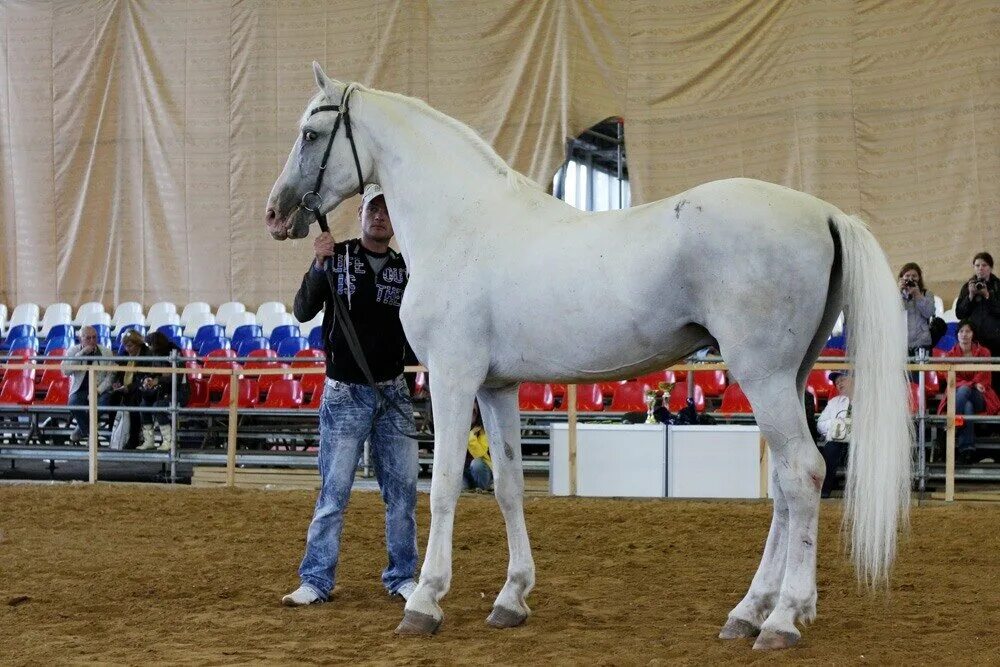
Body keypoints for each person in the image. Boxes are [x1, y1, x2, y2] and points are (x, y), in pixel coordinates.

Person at [282, 183, 418, 606]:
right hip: (344, 394)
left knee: (403, 494)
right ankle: (316, 580)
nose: (380, 216)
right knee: (333, 492)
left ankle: (402, 576)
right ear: (360, 213)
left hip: (393, 393)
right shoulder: (335, 258)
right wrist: (317, 264)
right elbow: (303, 308)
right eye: (373, 209)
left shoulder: (407, 269)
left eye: (387, 210)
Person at [938, 320, 1000, 464]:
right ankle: (967, 451)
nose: (964, 334)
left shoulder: (984, 352)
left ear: (973, 334)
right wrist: (972, 384)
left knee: (964, 391)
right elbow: (951, 379)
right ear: (957, 334)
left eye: (968, 331)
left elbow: (984, 377)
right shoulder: (950, 355)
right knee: (967, 406)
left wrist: (969, 385)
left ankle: (949, 428)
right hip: (962, 394)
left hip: (981, 396)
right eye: (961, 331)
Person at [136, 331, 189, 451]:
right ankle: (149, 440)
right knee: (143, 405)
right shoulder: (154, 354)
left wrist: (158, 380)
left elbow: (177, 377)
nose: (148, 347)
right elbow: (153, 372)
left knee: (159, 406)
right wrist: (148, 379)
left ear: (156, 344)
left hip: (179, 392)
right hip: (161, 390)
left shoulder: (175, 353)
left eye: (150, 344)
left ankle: (168, 441)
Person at [62, 325, 115, 445]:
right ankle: (91, 434)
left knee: (103, 404)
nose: (92, 341)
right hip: (80, 389)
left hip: (99, 389)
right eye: (88, 338)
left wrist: (98, 390)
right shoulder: (73, 351)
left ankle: (81, 429)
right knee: (73, 404)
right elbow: (65, 371)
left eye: (94, 338)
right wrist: (81, 354)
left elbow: (111, 375)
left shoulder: (106, 352)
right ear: (81, 339)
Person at [955, 252, 1000, 387]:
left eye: (984, 265)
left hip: (995, 340)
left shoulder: (998, 286)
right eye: (977, 265)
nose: (980, 268)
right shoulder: (968, 286)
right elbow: (960, 313)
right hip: (974, 341)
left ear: (991, 268)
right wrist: (970, 296)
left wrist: (987, 295)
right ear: (973, 267)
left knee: (996, 378)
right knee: (977, 377)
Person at [816, 371, 853, 498]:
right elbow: (820, 424)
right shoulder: (834, 402)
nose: (839, 384)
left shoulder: (867, 400)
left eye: (842, 380)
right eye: (837, 383)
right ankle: (824, 492)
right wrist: (837, 425)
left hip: (858, 442)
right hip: (837, 440)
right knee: (830, 449)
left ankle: (859, 493)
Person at [898, 262, 936, 358]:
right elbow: (889, 313)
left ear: (919, 278)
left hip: (922, 343)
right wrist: (898, 293)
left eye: (914, 276)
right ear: (902, 278)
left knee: (921, 373)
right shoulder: (894, 294)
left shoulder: (927, 294)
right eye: (907, 275)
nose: (910, 279)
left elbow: (929, 313)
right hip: (901, 344)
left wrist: (918, 295)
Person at [464, 401, 493, 491]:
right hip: (465, 471)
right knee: (459, 488)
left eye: (473, 411)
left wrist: (470, 436)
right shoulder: (457, 430)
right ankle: (471, 487)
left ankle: (483, 488)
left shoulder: (484, 430)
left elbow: (480, 455)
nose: (470, 414)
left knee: (477, 463)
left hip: (482, 471)